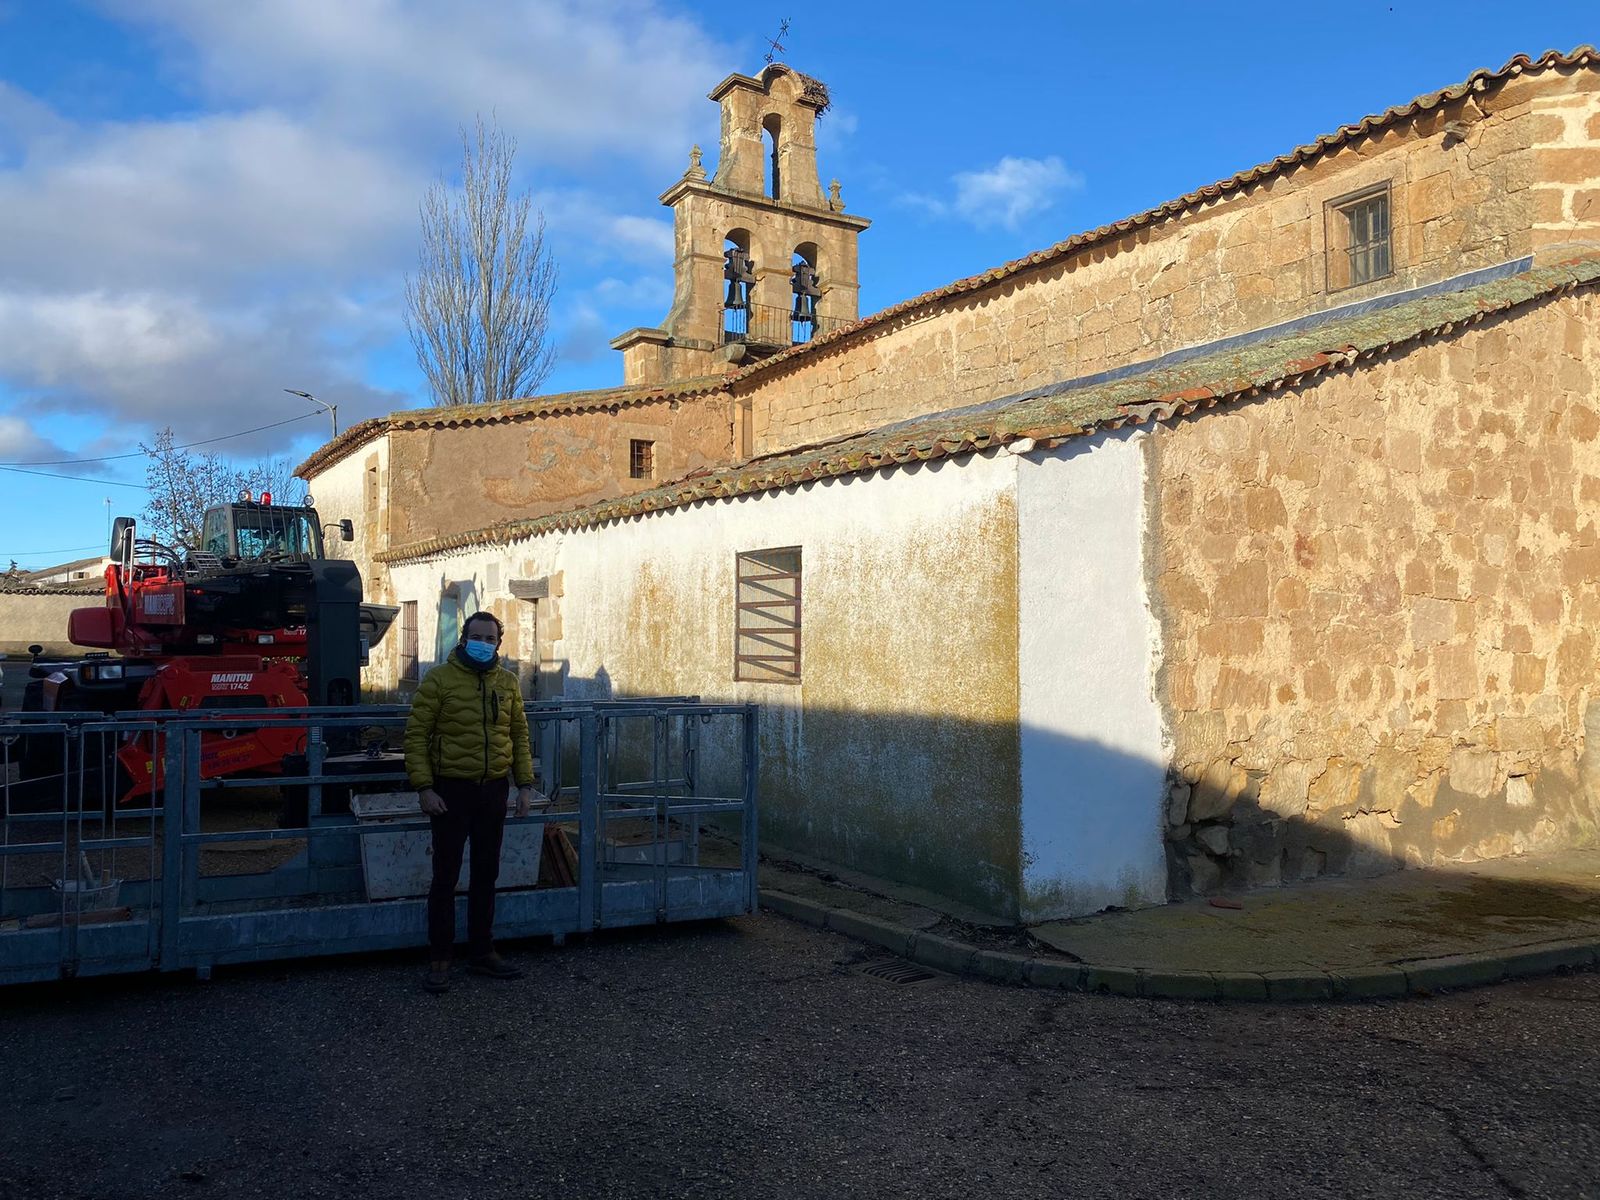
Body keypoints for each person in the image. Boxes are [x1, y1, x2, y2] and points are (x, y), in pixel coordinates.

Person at [404, 611, 541, 993]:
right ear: (463, 638)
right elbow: (416, 736)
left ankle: (482, 951)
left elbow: (519, 736)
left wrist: (524, 786)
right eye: (476, 636)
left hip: (493, 790)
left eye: (490, 637)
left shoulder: (508, 683)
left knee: (486, 873)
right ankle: (440, 959)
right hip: (450, 791)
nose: (483, 643)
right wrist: (424, 788)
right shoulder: (439, 680)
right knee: (445, 876)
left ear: (499, 642)